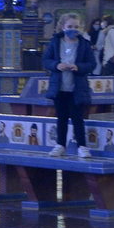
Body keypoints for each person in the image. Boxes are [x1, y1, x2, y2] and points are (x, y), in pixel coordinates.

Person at [44, 13, 98, 158]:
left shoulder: (84, 44)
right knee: (61, 117)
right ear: (62, 27)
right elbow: (46, 60)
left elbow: (92, 64)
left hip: (76, 88)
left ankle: (82, 146)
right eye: (69, 27)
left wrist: (78, 67)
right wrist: (57, 65)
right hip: (59, 87)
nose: (72, 30)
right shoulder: (55, 43)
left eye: (76, 27)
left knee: (77, 118)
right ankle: (60, 145)